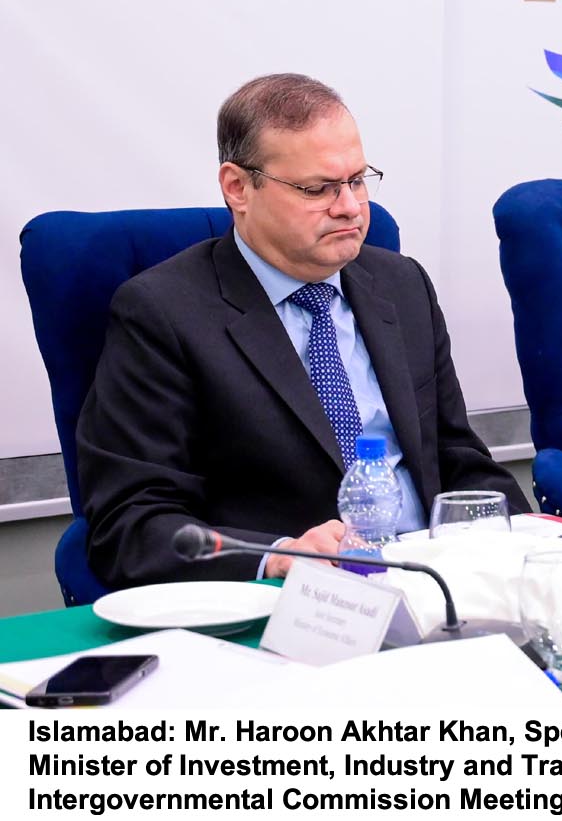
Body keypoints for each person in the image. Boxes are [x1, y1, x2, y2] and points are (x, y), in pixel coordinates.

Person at [77, 74, 527, 589]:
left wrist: (528, 537)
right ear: (238, 188)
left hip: (435, 578)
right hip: (296, 600)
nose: (350, 207)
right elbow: (130, 525)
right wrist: (277, 557)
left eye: (357, 180)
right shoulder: (162, 314)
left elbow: (458, 458)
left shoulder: (402, 285)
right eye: (318, 189)